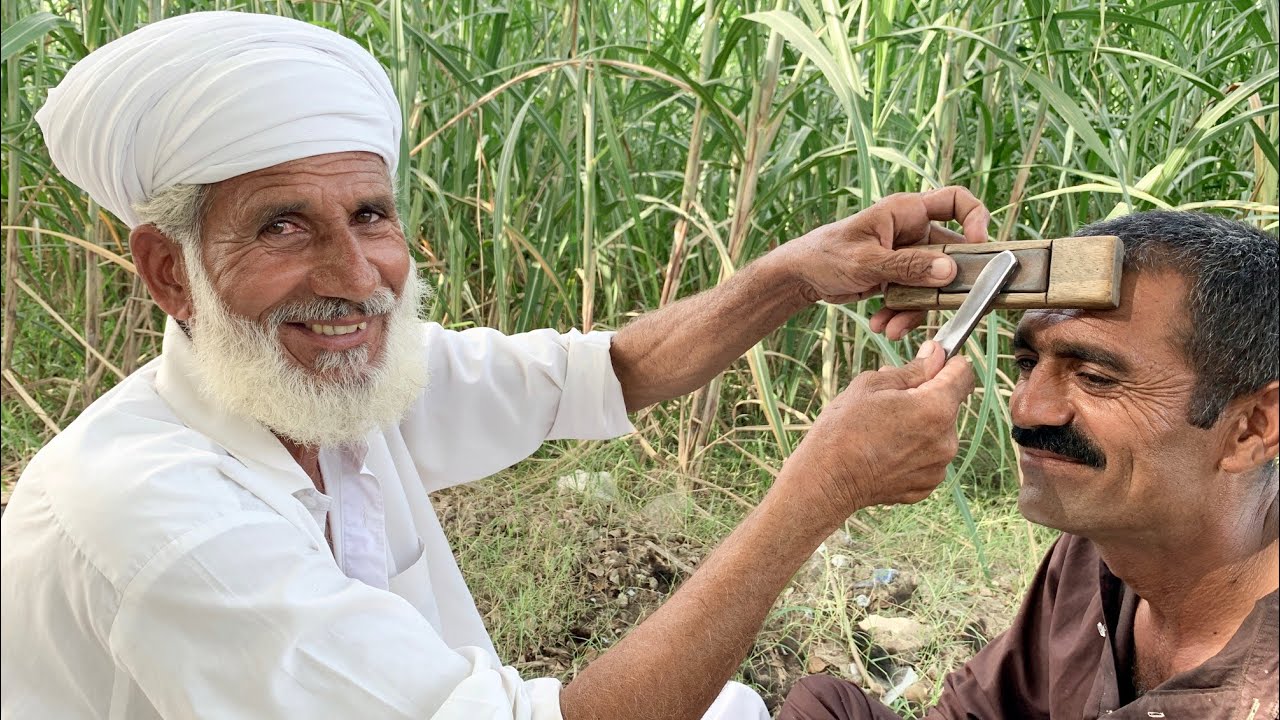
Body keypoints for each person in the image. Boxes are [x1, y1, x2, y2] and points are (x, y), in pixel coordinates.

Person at [0, 11, 984, 720]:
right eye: (282, 225)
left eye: (369, 215)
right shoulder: (158, 520)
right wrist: (820, 488)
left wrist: (789, 276)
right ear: (171, 271)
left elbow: (604, 371)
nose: (354, 277)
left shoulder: (333, 384)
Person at [778, 211, 1279, 720]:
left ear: (1252, 427)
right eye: (1027, 364)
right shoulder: (1096, 551)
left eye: (1095, 377)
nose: (1026, 408)